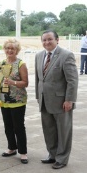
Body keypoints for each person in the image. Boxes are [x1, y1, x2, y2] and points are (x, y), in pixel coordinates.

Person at [35, 30, 78, 169]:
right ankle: (52, 155)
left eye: (49, 39)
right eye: (44, 40)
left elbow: (72, 80)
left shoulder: (66, 55)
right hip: (44, 101)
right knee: (49, 130)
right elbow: (38, 79)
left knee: (63, 131)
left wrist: (69, 100)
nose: (47, 42)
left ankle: (62, 159)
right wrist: (38, 96)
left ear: (57, 40)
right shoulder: (39, 56)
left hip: (62, 102)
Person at [0, 39, 29, 164]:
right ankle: (11, 148)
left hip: (18, 100)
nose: (9, 50)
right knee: (8, 126)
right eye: (7, 48)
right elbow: (0, 78)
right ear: (4, 49)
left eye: (12, 49)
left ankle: (23, 152)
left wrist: (13, 82)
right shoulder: (2, 63)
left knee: (18, 127)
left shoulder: (21, 64)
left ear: (17, 51)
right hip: (4, 99)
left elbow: (25, 83)